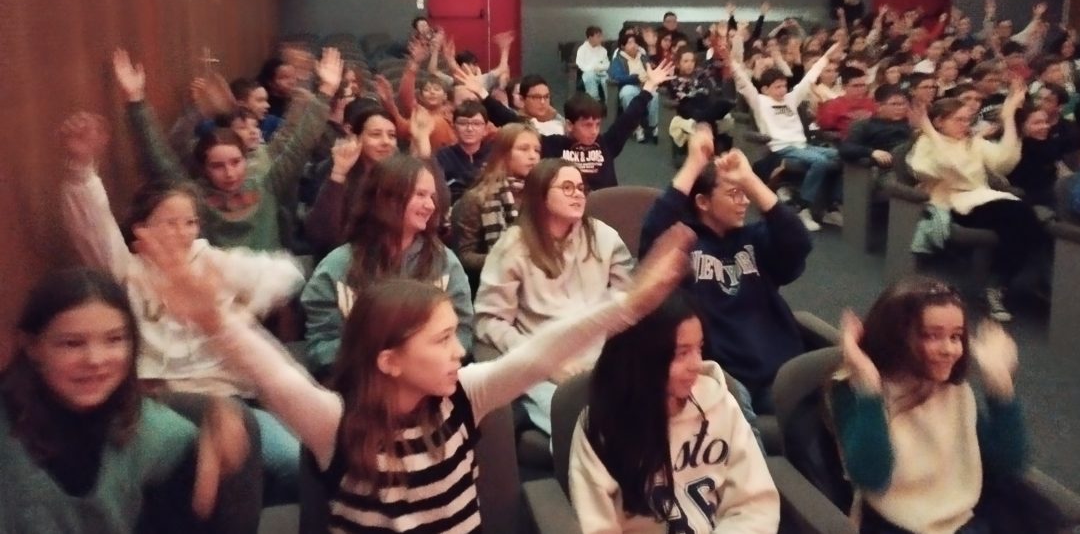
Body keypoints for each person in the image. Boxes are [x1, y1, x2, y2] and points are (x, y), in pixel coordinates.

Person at [135, 208, 695, 533]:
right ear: (389, 360)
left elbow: (542, 353)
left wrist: (629, 307)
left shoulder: (463, 397)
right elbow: (273, 374)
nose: (461, 352)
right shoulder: (336, 423)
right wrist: (213, 318)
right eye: (444, 339)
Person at [58, 110, 306, 506]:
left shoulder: (210, 264)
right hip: (158, 404)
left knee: (297, 464)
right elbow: (93, 227)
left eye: (190, 222)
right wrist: (81, 168)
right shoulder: (129, 271)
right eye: (169, 222)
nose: (183, 232)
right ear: (142, 228)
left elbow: (286, 271)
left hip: (227, 401)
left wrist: (238, 311)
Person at [0, 267, 250, 533]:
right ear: (32, 347)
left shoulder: (165, 440)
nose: (95, 360)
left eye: (115, 339)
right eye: (72, 343)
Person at [828, 277, 1027, 534]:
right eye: (932, 336)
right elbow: (871, 477)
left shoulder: (953, 391)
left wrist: (1000, 385)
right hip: (895, 525)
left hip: (963, 519)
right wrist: (869, 388)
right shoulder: (854, 390)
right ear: (897, 336)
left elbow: (1005, 463)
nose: (949, 349)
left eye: (956, 336)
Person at [568, 295, 780, 533]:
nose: (697, 364)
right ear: (643, 357)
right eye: (682, 353)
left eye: (699, 348)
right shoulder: (600, 429)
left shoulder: (720, 405)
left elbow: (754, 504)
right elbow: (598, 526)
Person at [640, 126, 812, 414]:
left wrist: (749, 180)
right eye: (734, 194)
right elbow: (652, 234)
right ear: (703, 202)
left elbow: (799, 241)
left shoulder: (756, 239)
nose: (744, 203)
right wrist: (695, 162)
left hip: (780, 371)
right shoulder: (683, 244)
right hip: (724, 379)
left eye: (745, 195)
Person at [115, 47, 340, 251]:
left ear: (246, 158)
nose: (230, 173)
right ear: (204, 168)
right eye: (217, 166)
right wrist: (136, 100)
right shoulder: (195, 197)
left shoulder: (267, 184)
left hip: (273, 285)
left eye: (235, 162)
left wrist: (326, 91)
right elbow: (159, 159)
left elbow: (299, 142)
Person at [474, 159, 634, 434]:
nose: (578, 194)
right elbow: (489, 321)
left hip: (605, 360)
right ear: (541, 196)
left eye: (581, 188)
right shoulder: (514, 246)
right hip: (547, 369)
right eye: (567, 187)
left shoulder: (603, 237)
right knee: (594, 432)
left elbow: (630, 302)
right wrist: (544, 363)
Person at [303, 154, 474, 377]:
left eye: (432, 197)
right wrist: (384, 360)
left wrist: (417, 362)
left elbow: (463, 332)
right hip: (359, 387)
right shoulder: (337, 268)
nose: (431, 205)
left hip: (428, 384)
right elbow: (321, 347)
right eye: (420, 195)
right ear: (387, 198)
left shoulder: (444, 262)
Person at [907, 79, 1046, 319]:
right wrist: (929, 130)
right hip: (952, 202)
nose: (965, 124)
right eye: (958, 120)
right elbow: (950, 168)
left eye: (967, 119)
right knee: (1020, 217)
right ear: (939, 121)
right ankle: (999, 285)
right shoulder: (925, 143)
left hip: (983, 199)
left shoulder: (973, 143)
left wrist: (1009, 116)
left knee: (1024, 220)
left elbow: (1004, 162)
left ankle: (1000, 283)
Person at [733, 39, 845, 230]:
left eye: (784, 86)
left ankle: (831, 207)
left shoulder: (791, 99)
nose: (783, 90)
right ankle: (802, 208)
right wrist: (730, 59)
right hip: (783, 148)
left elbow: (810, 77)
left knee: (843, 157)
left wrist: (827, 56)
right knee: (821, 162)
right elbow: (742, 80)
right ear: (765, 89)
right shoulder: (760, 102)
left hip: (803, 147)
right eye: (777, 87)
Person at [542, 59, 673, 190]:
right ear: (570, 125)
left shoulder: (606, 144)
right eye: (587, 125)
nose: (594, 131)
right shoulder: (554, 145)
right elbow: (524, 135)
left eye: (597, 124)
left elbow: (629, 117)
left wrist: (649, 86)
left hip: (606, 206)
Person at [304, 105, 403, 258]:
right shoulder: (333, 170)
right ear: (356, 138)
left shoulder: (398, 175)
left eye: (392, 136)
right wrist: (339, 173)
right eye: (376, 135)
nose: (386, 142)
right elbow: (321, 235)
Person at [453, 123, 541, 279]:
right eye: (523, 149)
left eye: (537, 150)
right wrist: (509, 262)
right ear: (503, 153)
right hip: (491, 283)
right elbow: (464, 257)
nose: (533, 156)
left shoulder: (542, 194)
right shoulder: (476, 198)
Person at [838, 85, 913, 169]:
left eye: (903, 104)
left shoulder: (911, 123)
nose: (901, 108)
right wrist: (872, 152)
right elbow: (846, 148)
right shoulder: (866, 125)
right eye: (894, 104)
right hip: (890, 168)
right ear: (879, 106)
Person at [436, 100, 493, 204]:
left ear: (485, 129)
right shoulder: (442, 156)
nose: (470, 129)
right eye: (463, 123)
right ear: (453, 127)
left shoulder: (495, 155)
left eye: (476, 124)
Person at [610, 33, 662, 143]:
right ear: (623, 46)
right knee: (627, 93)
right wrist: (635, 78)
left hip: (646, 84)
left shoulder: (643, 57)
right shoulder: (618, 60)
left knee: (656, 95)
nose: (634, 45)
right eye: (630, 43)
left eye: (635, 42)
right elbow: (617, 77)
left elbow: (651, 70)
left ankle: (653, 126)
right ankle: (636, 127)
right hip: (630, 85)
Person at [817, 66, 877, 139]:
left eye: (863, 85)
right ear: (844, 87)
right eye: (856, 86)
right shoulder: (833, 105)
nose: (861, 89)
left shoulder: (872, 103)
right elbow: (824, 130)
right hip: (845, 142)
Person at [576, 26, 611, 100]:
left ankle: (609, 103)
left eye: (601, 36)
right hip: (588, 73)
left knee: (607, 79)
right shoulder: (582, 49)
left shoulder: (603, 50)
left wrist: (599, 68)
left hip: (601, 73)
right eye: (598, 37)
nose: (601, 39)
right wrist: (593, 67)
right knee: (590, 76)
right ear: (590, 38)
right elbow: (580, 64)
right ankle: (594, 101)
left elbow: (607, 64)